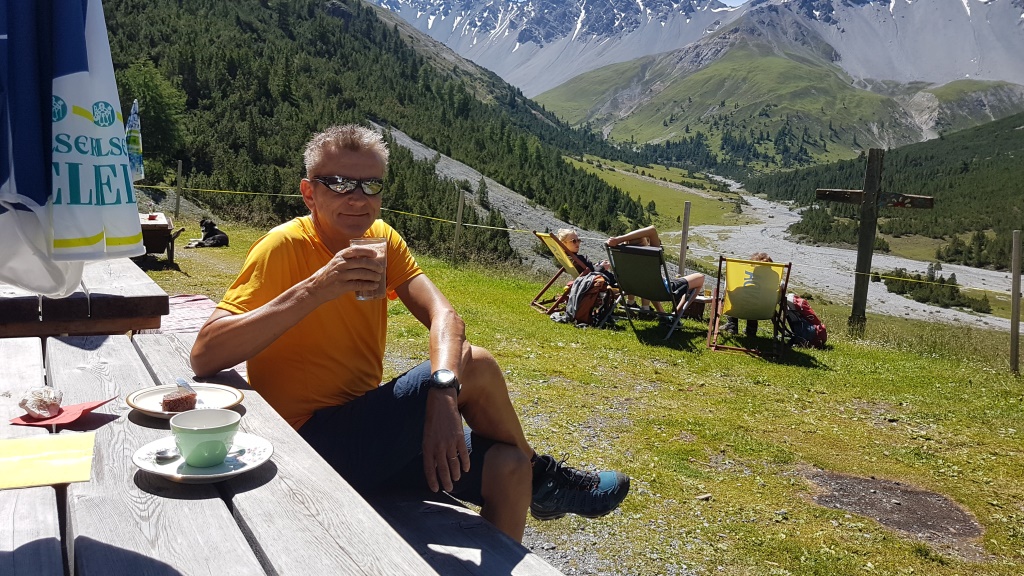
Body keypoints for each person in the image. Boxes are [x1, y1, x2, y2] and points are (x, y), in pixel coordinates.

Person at [190, 124, 630, 543]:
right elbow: (205, 354)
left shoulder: (380, 239)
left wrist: (442, 396)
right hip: (306, 444)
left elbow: (446, 317)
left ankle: (536, 482)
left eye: (371, 185)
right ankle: (547, 480)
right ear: (309, 193)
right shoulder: (282, 246)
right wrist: (316, 289)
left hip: (369, 436)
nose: (357, 198)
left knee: (509, 465)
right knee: (476, 364)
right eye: (338, 183)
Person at [606, 226, 705, 318]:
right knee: (700, 277)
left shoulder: (622, 257)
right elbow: (652, 230)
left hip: (638, 289)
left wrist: (619, 241)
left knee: (650, 283)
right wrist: (618, 239)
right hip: (664, 290)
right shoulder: (651, 254)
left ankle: (662, 314)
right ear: (644, 241)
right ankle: (676, 314)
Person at [722, 251, 773, 337]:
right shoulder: (774, 284)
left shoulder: (742, 284)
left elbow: (729, 293)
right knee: (754, 302)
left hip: (739, 309)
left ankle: (732, 325)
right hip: (764, 311)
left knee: (732, 295)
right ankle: (751, 330)